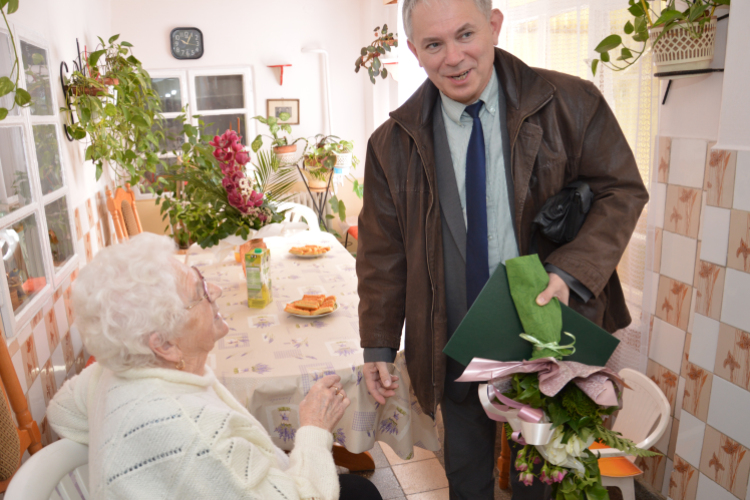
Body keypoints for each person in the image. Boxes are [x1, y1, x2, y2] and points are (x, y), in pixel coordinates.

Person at [355, 0, 649, 498]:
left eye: (465, 34)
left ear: (494, 27)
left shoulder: (572, 103)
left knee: (540, 475)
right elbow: (383, 253)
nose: (453, 57)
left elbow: (621, 191)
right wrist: (379, 343)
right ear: (414, 52)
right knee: (466, 471)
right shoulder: (390, 144)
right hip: (452, 336)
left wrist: (570, 272)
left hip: (548, 332)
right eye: (434, 44)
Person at [48, 233, 382, 500]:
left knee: (359, 490)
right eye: (201, 292)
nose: (217, 291)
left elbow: (61, 412)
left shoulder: (114, 370)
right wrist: (313, 428)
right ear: (164, 344)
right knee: (362, 494)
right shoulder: (196, 435)